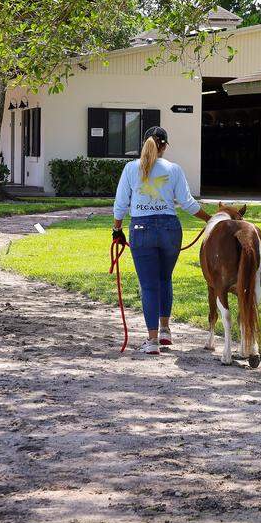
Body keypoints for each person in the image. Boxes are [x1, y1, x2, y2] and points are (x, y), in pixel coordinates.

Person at [113, 127, 210, 356]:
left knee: (148, 285)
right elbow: (187, 204)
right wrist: (210, 218)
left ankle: (152, 340)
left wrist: (117, 229)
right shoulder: (173, 169)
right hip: (170, 229)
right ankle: (165, 330)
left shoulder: (130, 168)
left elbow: (121, 203)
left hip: (141, 228)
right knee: (165, 279)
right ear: (164, 146)